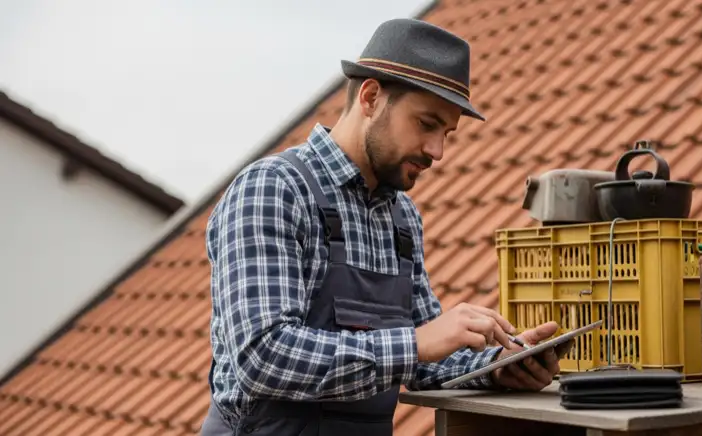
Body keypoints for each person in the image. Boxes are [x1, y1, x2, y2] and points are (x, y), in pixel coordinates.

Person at [199, 18, 562, 436]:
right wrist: (416, 342)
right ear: (370, 97)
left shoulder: (402, 218)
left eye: (446, 133)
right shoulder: (274, 189)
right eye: (426, 124)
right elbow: (263, 356)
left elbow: (424, 362)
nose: (438, 151)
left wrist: (497, 366)